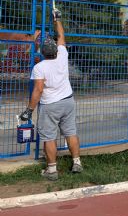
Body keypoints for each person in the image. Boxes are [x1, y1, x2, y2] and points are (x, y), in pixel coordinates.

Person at [18, 10, 82, 181]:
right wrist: (57, 19)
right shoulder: (62, 56)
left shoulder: (40, 67)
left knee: (48, 137)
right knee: (71, 132)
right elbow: (61, 35)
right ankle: (77, 162)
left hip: (50, 105)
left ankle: (52, 170)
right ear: (55, 50)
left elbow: (38, 90)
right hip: (68, 101)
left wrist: (29, 110)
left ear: (42, 53)